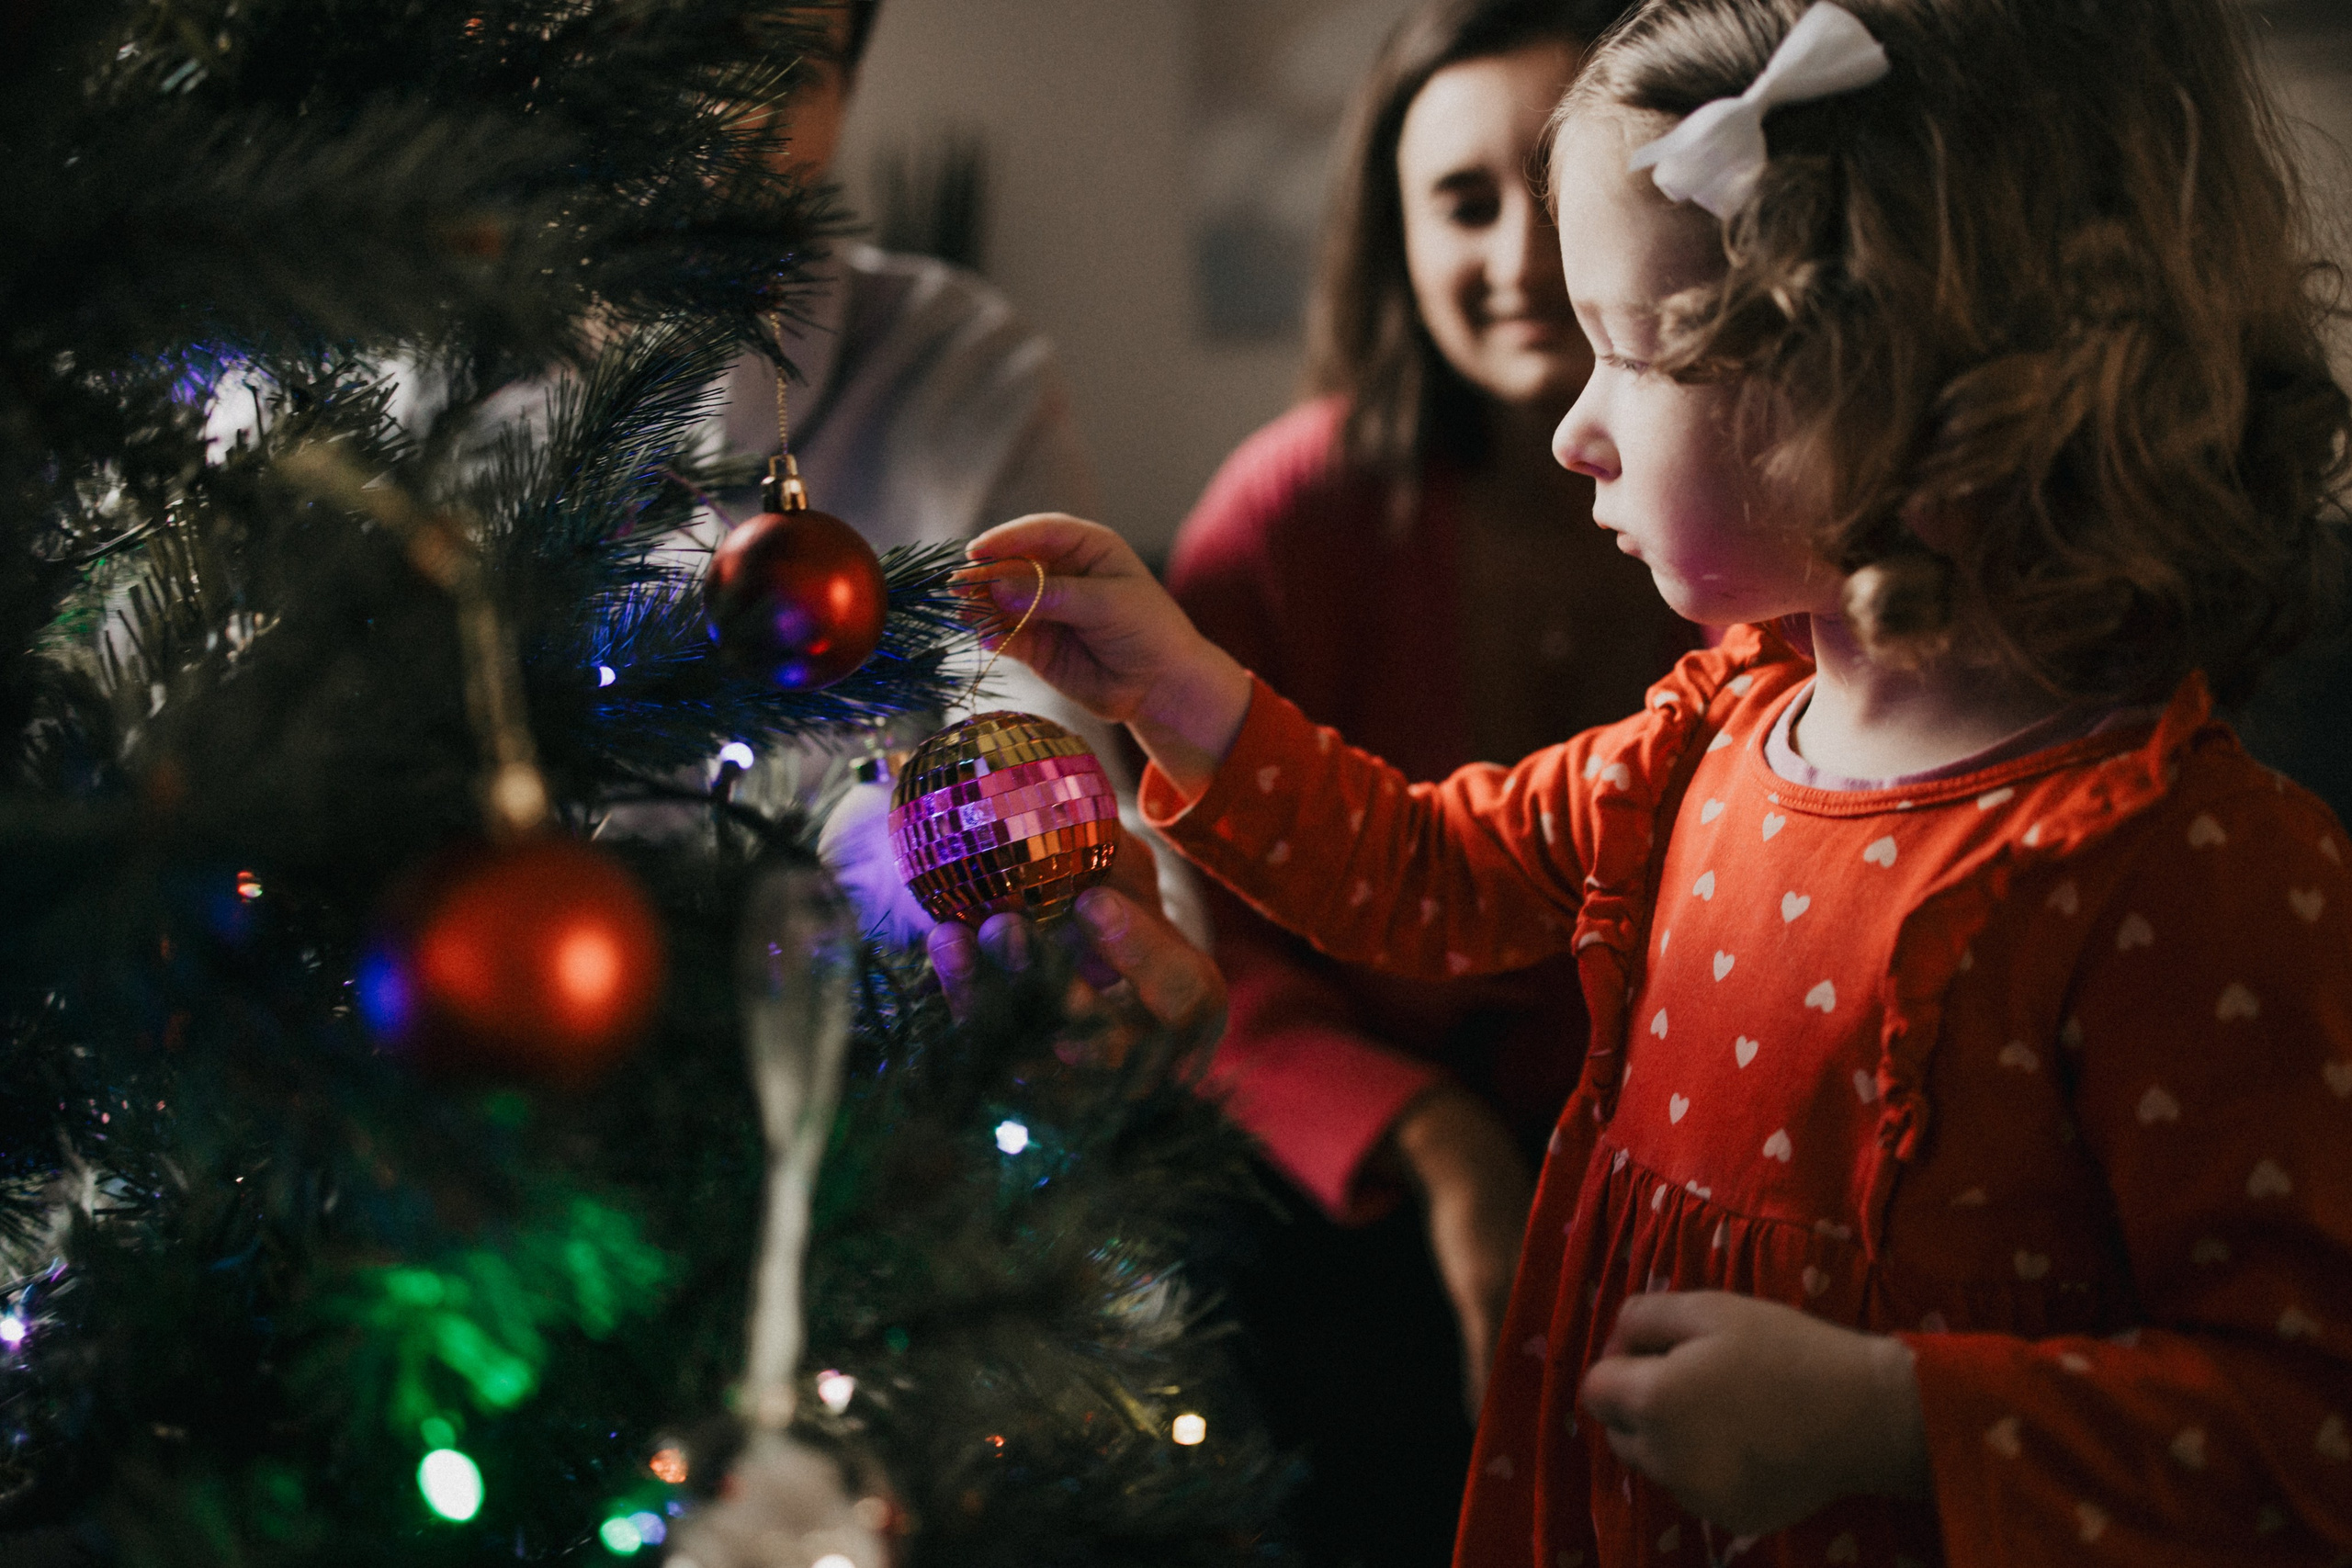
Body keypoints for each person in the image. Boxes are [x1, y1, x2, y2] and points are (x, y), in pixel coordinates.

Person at [956, 0, 2352, 1562]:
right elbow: (1421, 872)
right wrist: (1178, 686)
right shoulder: (1714, 730)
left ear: (1880, 378)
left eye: (1632, 351)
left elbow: (2304, 1426)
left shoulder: (2190, 867)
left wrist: (1891, 1415)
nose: (1572, 432)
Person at [1160, 1, 1687, 1559]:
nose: (1518, 253)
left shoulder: (1760, 505)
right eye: (1462, 200)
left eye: (1552, 182)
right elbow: (1216, 941)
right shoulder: (1280, 522)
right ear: (1390, 236)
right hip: (1362, 1164)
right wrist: (1437, 1146)